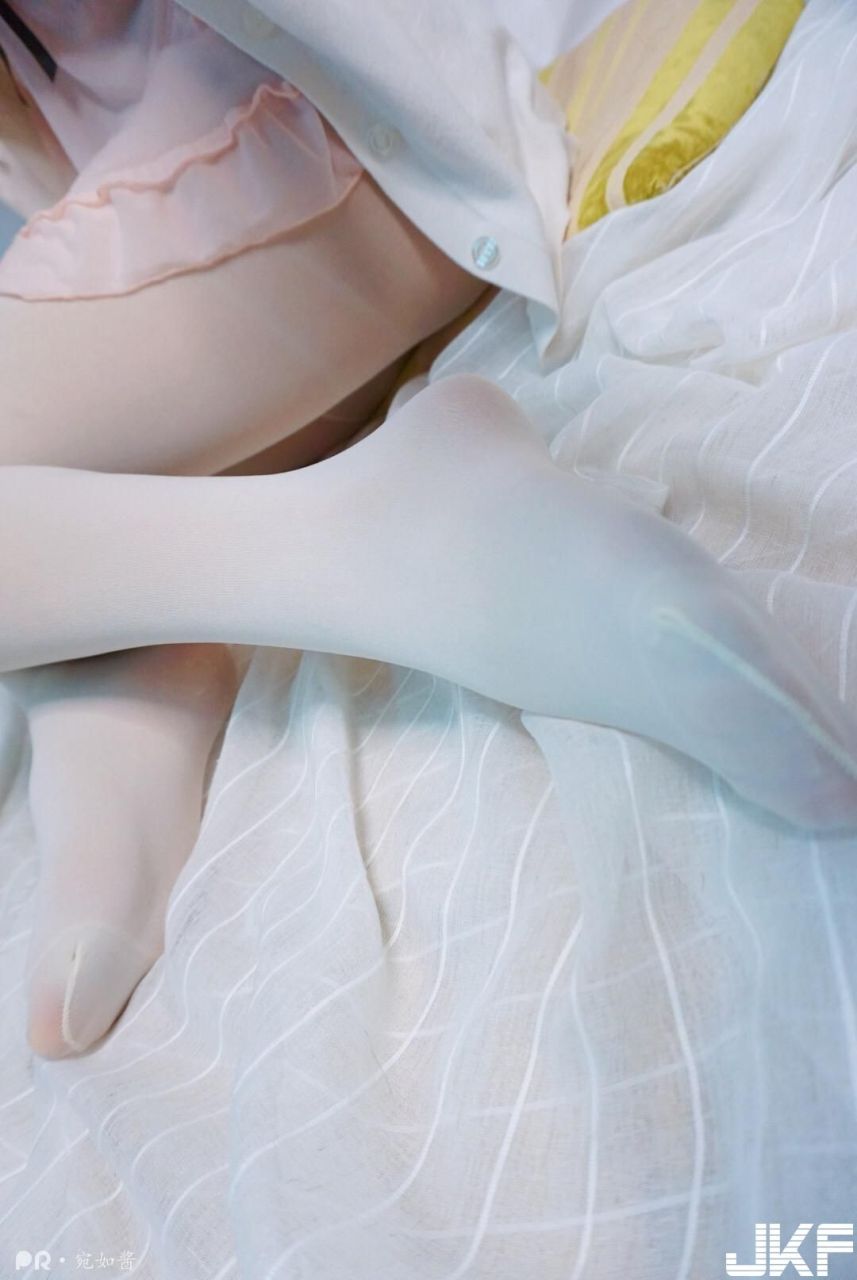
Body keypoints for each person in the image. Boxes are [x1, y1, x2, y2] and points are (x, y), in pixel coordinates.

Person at [2, 0, 856, 1065]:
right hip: (179, 178)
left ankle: (369, 538)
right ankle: (148, 647)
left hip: (316, 142)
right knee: (55, 482)